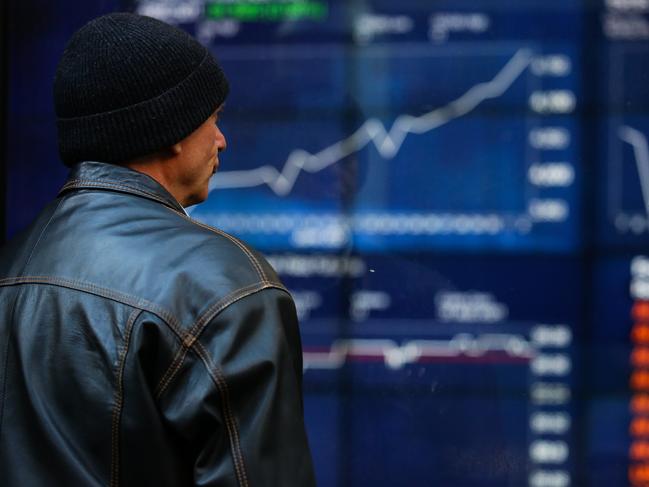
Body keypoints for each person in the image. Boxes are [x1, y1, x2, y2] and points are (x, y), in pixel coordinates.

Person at [0, 12, 316, 486]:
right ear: (171, 129)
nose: (221, 140)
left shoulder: (10, 267)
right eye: (214, 119)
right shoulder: (227, 286)